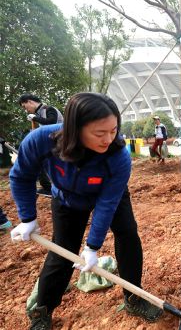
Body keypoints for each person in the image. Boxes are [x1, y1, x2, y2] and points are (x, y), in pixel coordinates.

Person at [9, 93, 162, 330]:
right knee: (62, 251)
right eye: (100, 133)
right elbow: (21, 176)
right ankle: (43, 311)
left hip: (110, 194)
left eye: (113, 130)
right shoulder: (41, 140)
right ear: (75, 128)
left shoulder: (118, 154)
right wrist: (27, 218)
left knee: (128, 235)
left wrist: (92, 247)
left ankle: (134, 298)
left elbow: (107, 203)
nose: (108, 139)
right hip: (67, 198)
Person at [18, 93, 64, 197]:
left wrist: (35, 118)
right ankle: (48, 188)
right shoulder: (38, 114)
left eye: (25, 107)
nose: (26, 110)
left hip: (61, 142)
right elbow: (37, 130)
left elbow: (51, 123)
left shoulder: (49, 109)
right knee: (39, 162)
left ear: (30, 102)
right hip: (50, 143)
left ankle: (60, 189)